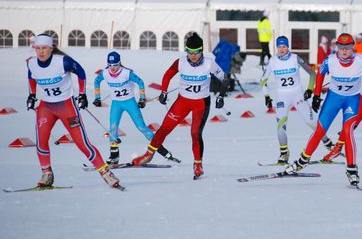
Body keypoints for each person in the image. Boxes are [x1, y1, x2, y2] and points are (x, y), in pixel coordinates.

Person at [284, 33, 362, 186]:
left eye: (347, 48)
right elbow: (320, 75)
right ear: (337, 47)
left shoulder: (361, 62)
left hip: (352, 100)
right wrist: (317, 95)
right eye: (341, 47)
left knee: (348, 130)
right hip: (333, 99)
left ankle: (351, 169)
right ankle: (303, 160)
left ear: (353, 47)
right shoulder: (330, 61)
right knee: (320, 130)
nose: (344, 51)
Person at [26, 34, 121, 189]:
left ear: (51, 48)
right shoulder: (31, 63)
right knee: (41, 141)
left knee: (82, 143)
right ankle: (47, 173)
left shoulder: (62, 61)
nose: (41, 52)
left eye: (44, 48)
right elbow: (31, 76)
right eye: (38, 48)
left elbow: (81, 72)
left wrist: (82, 94)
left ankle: (105, 173)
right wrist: (31, 94)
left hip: (66, 106)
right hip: (46, 107)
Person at [132, 33, 228, 180]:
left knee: (195, 134)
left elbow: (224, 79)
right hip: (182, 102)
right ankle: (148, 155)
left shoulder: (209, 63)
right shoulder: (181, 62)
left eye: (196, 52)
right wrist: (163, 91)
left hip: (201, 104)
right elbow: (168, 74)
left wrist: (221, 95)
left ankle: (198, 164)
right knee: (164, 128)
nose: (193, 55)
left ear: (202, 50)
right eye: (190, 51)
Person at [93, 51, 179, 164]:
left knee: (142, 127)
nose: (112, 68)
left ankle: (162, 150)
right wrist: (97, 98)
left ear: (119, 63)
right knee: (112, 128)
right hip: (116, 104)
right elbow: (96, 81)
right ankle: (114, 156)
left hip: (130, 103)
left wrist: (142, 98)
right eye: (110, 65)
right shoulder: (105, 73)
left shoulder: (126, 73)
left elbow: (140, 82)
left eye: (115, 65)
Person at [260, 36, 335, 164]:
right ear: (276, 48)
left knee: (311, 121)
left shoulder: (295, 58)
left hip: (298, 95)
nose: (282, 49)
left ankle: (328, 143)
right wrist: (266, 96)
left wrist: (309, 90)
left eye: (284, 46)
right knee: (280, 126)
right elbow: (263, 80)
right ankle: (284, 154)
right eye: (279, 47)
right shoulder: (273, 61)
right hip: (282, 98)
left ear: (288, 47)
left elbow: (312, 73)